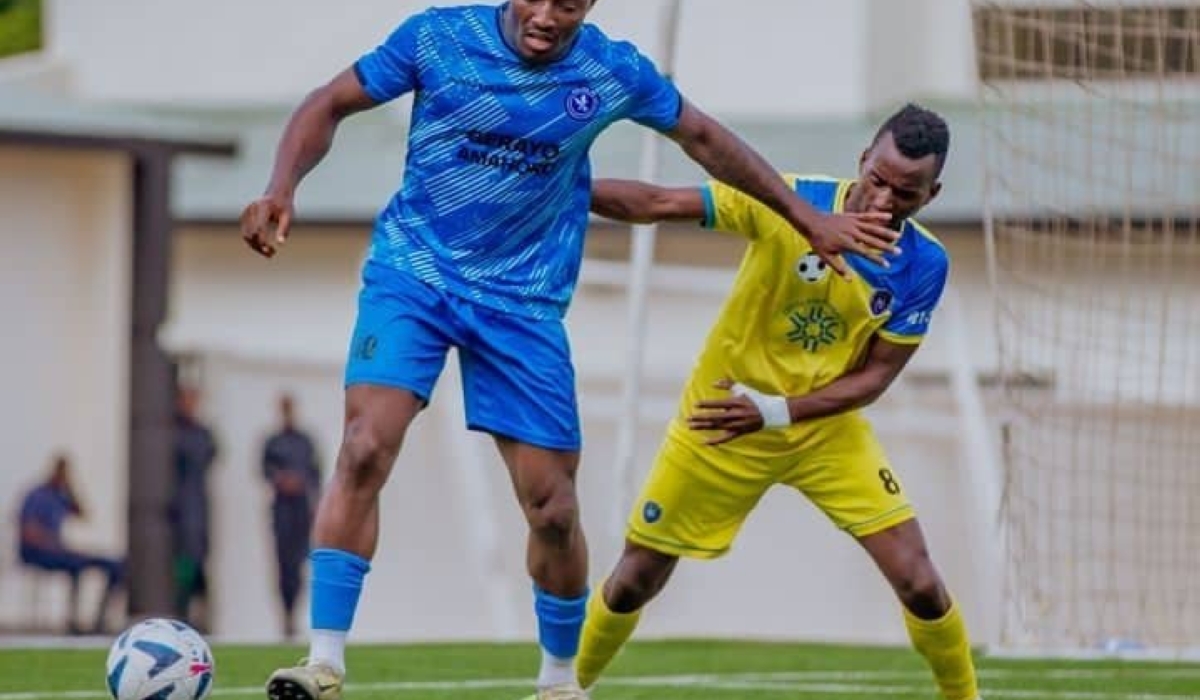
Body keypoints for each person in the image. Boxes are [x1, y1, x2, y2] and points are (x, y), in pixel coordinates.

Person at [238, 2, 898, 699]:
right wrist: (281, 187)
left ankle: (559, 683)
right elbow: (330, 102)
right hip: (415, 275)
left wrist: (807, 218)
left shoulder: (609, 71)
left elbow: (702, 136)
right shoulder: (439, 37)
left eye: (572, 2)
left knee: (552, 509)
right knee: (365, 446)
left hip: (522, 304)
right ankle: (323, 662)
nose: (550, 16)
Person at [575, 103, 983, 700]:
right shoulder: (789, 201)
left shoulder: (924, 265)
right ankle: (563, 686)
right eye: (878, 179)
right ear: (861, 160)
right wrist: (558, 182)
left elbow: (876, 377)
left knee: (920, 581)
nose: (884, 201)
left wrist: (778, 410)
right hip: (722, 419)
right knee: (636, 578)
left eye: (906, 192)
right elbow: (661, 203)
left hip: (823, 431)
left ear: (932, 193)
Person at [17, 453, 124, 634]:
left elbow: (82, 514)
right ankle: (72, 622)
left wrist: (71, 489)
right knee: (75, 564)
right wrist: (55, 545)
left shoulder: (62, 495)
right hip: (36, 552)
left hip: (60, 551)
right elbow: (28, 532)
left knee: (115, 565)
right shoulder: (37, 495)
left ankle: (99, 622)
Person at [261, 393, 322, 640]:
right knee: (283, 564)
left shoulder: (305, 441)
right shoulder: (272, 442)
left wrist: (308, 491)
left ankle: (296, 613)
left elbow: (315, 473)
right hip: (281, 510)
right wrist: (281, 480)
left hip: (301, 510)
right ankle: (285, 614)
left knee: (299, 563)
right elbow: (264, 470)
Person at [170, 384, 218, 632]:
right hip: (178, 506)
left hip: (197, 504)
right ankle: (182, 610)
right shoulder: (171, 432)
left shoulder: (203, 433)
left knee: (198, 555)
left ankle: (199, 611)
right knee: (183, 560)